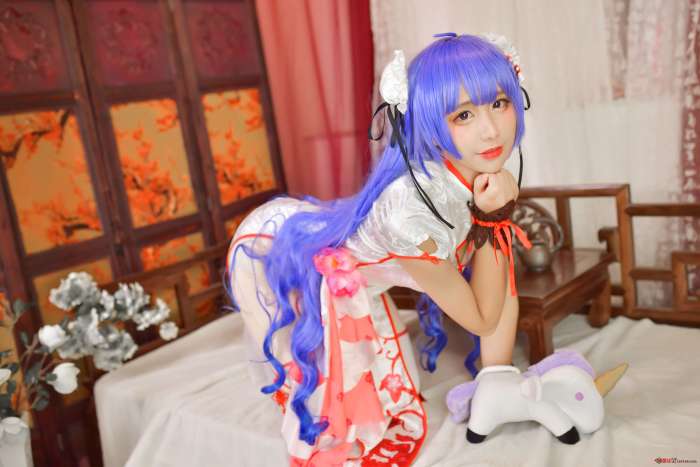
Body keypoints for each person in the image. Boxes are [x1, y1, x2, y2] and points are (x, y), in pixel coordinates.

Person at [226, 32, 531, 465]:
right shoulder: (410, 214)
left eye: (499, 103)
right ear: (428, 123)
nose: (491, 129)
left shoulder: (473, 173)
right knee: (316, 399)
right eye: (464, 114)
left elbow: (500, 280)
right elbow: (483, 318)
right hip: (270, 245)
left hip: (339, 250)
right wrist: (495, 217)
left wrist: (498, 380)